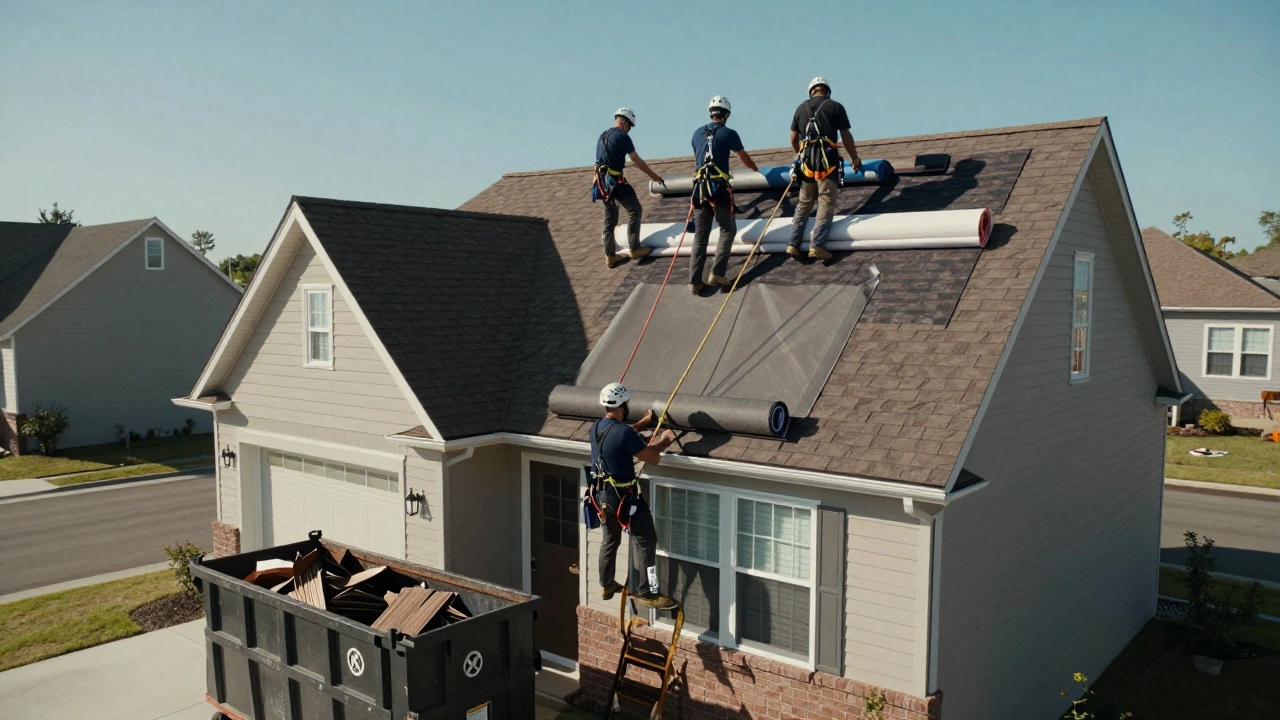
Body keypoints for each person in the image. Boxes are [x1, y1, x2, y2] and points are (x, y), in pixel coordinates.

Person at [589, 382, 678, 609]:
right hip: (624, 499)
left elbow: (620, 436)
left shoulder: (596, 428)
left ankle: (606, 584)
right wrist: (666, 438)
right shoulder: (624, 433)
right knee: (647, 541)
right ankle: (649, 591)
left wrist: (642, 423)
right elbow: (652, 458)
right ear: (623, 406)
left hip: (601, 496)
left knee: (610, 539)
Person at [688, 95, 759, 295]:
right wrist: (755, 169)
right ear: (726, 115)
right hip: (718, 187)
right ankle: (717, 273)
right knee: (727, 229)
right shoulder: (729, 133)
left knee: (700, 235)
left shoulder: (696, 133)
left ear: (711, 113)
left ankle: (694, 280)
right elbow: (743, 157)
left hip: (699, 189)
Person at [787, 77, 862, 260]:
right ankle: (817, 245)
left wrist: (799, 155)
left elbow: (793, 138)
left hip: (807, 165)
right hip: (828, 162)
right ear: (827, 91)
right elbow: (845, 134)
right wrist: (854, 158)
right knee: (826, 201)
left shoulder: (800, 108)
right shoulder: (835, 106)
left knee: (804, 203)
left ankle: (793, 243)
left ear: (811, 91)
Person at [594, 108, 666, 269]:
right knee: (635, 210)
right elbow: (635, 160)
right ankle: (635, 248)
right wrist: (653, 175)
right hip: (615, 181)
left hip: (602, 183)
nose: (630, 129)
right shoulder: (622, 136)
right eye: (630, 126)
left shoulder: (603, 136)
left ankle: (610, 256)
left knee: (610, 219)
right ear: (625, 122)